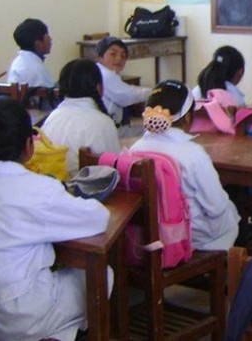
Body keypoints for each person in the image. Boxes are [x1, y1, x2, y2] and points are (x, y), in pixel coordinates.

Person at [0, 99, 110, 341]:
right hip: (17, 316)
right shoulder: (37, 190)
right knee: (102, 275)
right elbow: (98, 219)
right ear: (29, 145)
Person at [130, 80, 240, 250]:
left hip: (149, 233)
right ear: (188, 117)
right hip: (191, 236)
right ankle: (228, 267)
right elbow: (215, 207)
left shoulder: (135, 149)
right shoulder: (193, 154)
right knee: (232, 215)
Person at [41, 59, 122, 176]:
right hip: (85, 190)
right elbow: (114, 169)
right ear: (99, 87)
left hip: (51, 185)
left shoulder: (52, 117)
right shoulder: (103, 122)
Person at [94, 36, 150, 125]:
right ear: (99, 57)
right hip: (105, 128)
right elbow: (127, 96)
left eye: (123, 55)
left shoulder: (98, 70)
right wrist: (153, 92)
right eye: (113, 54)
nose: (119, 58)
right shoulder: (106, 75)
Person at [7, 18, 55, 88]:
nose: (50, 39)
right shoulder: (37, 69)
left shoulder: (18, 62)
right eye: (47, 35)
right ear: (37, 43)